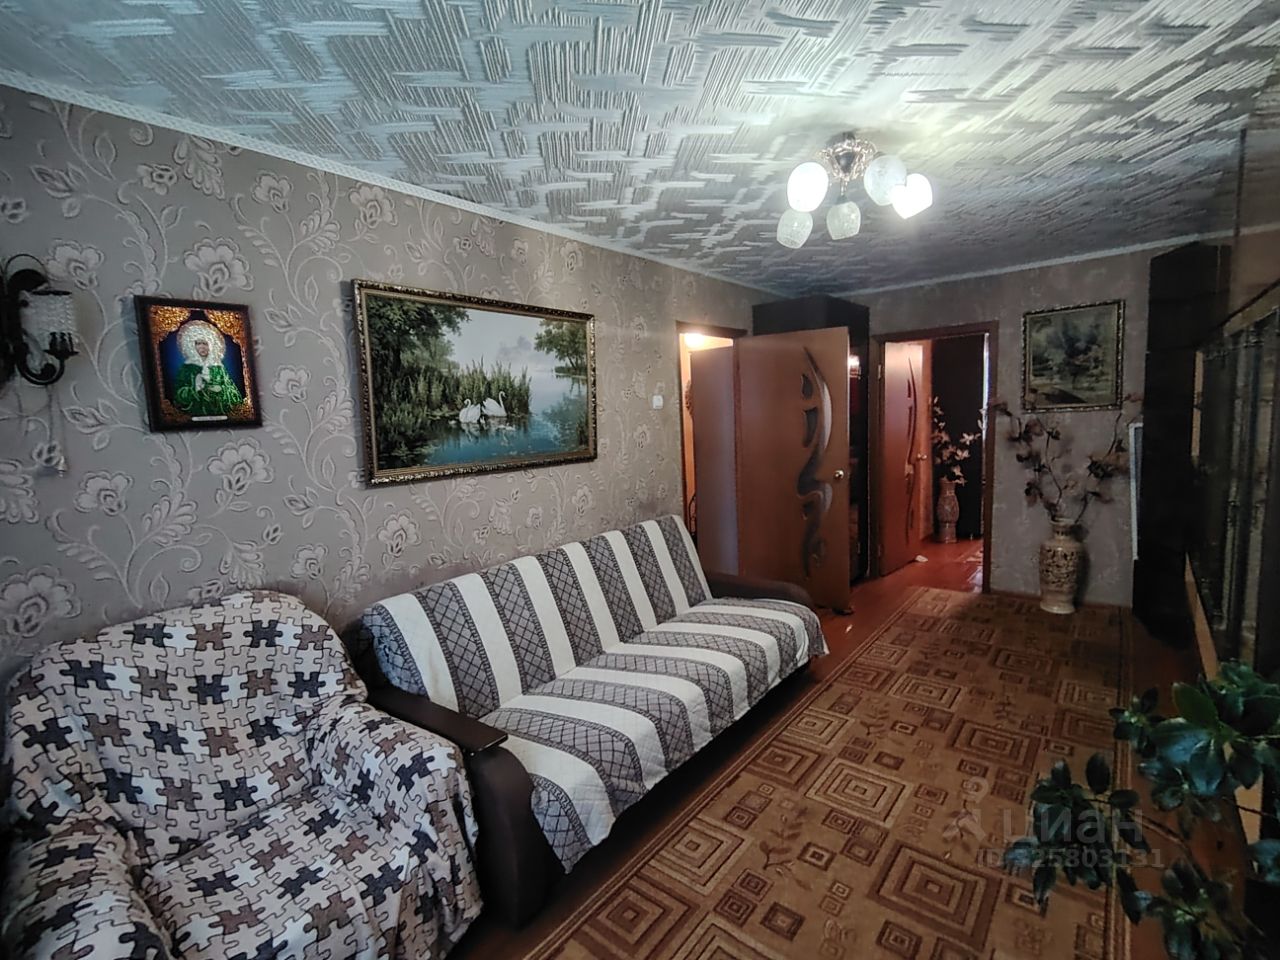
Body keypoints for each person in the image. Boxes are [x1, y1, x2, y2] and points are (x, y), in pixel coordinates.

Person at [173, 311, 244, 418]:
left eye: (205, 343)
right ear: (192, 345)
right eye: (198, 343)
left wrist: (221, 389)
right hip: (196, 414)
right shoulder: (187, 368)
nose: (202, 347)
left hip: (219, 413)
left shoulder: (218, 367)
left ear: (211, 345)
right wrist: (195, 388)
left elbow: (233, 394)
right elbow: (178, 395)